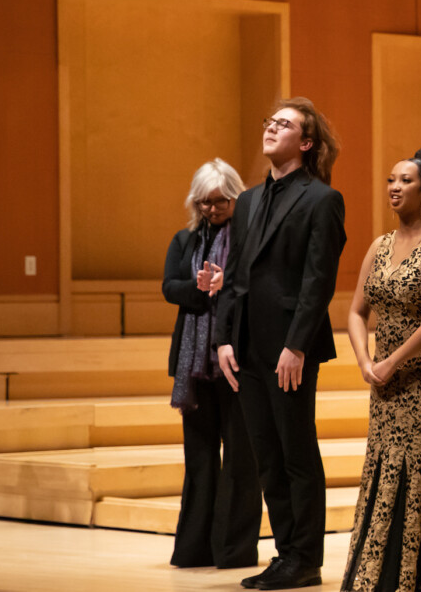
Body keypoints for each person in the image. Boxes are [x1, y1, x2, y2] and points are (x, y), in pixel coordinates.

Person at [215, 97, 348, 591]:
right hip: (247, 346)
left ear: (306, 142)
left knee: (295, 452)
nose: (271, 128)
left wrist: (296, 345)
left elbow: (319, 281)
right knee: (265, 453)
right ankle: (285, 553)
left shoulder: (321, 199)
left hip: (290, 349)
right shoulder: (247, 200)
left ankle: (304, 558)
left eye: (284, 124)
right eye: (269, 121)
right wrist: (224, 339)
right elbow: (234, 277)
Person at [342, 143, 421, 592]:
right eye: (391, 180)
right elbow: (355, 311)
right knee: (383, 466)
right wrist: (365, 360)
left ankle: (417, 580)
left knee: (416, 469)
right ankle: (375, 577)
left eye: (405, 181)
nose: (394, 187)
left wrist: (393, 360)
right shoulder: (379, 245)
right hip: (385, 382)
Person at [162, 158, 262, 570]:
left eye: (220, 201)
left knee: (240, 458)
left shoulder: (249, 239)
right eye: (204, 202)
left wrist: (229, 284)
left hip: (235, 360)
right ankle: (194, 549)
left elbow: (257, 288)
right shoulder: (184, 241)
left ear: (235, 197)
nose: (212, 209)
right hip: (194, 366)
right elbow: (170, 287)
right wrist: (201, 288)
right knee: (200, 459)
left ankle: (233, 552)